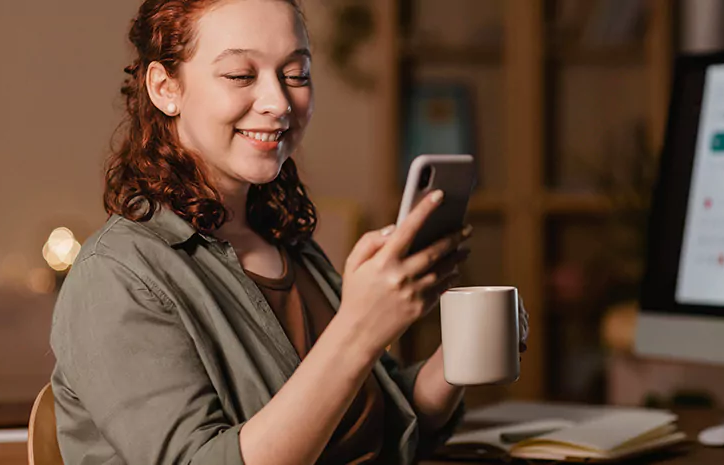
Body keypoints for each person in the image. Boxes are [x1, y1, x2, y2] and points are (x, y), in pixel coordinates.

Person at [49, 0, 529, 464]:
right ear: (165, 87)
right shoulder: (114, 278)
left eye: (296, 74)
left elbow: (365, 426)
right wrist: (358, 329)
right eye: (240, 75)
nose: (278, 102)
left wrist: (459, 357)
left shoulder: (287, 244)